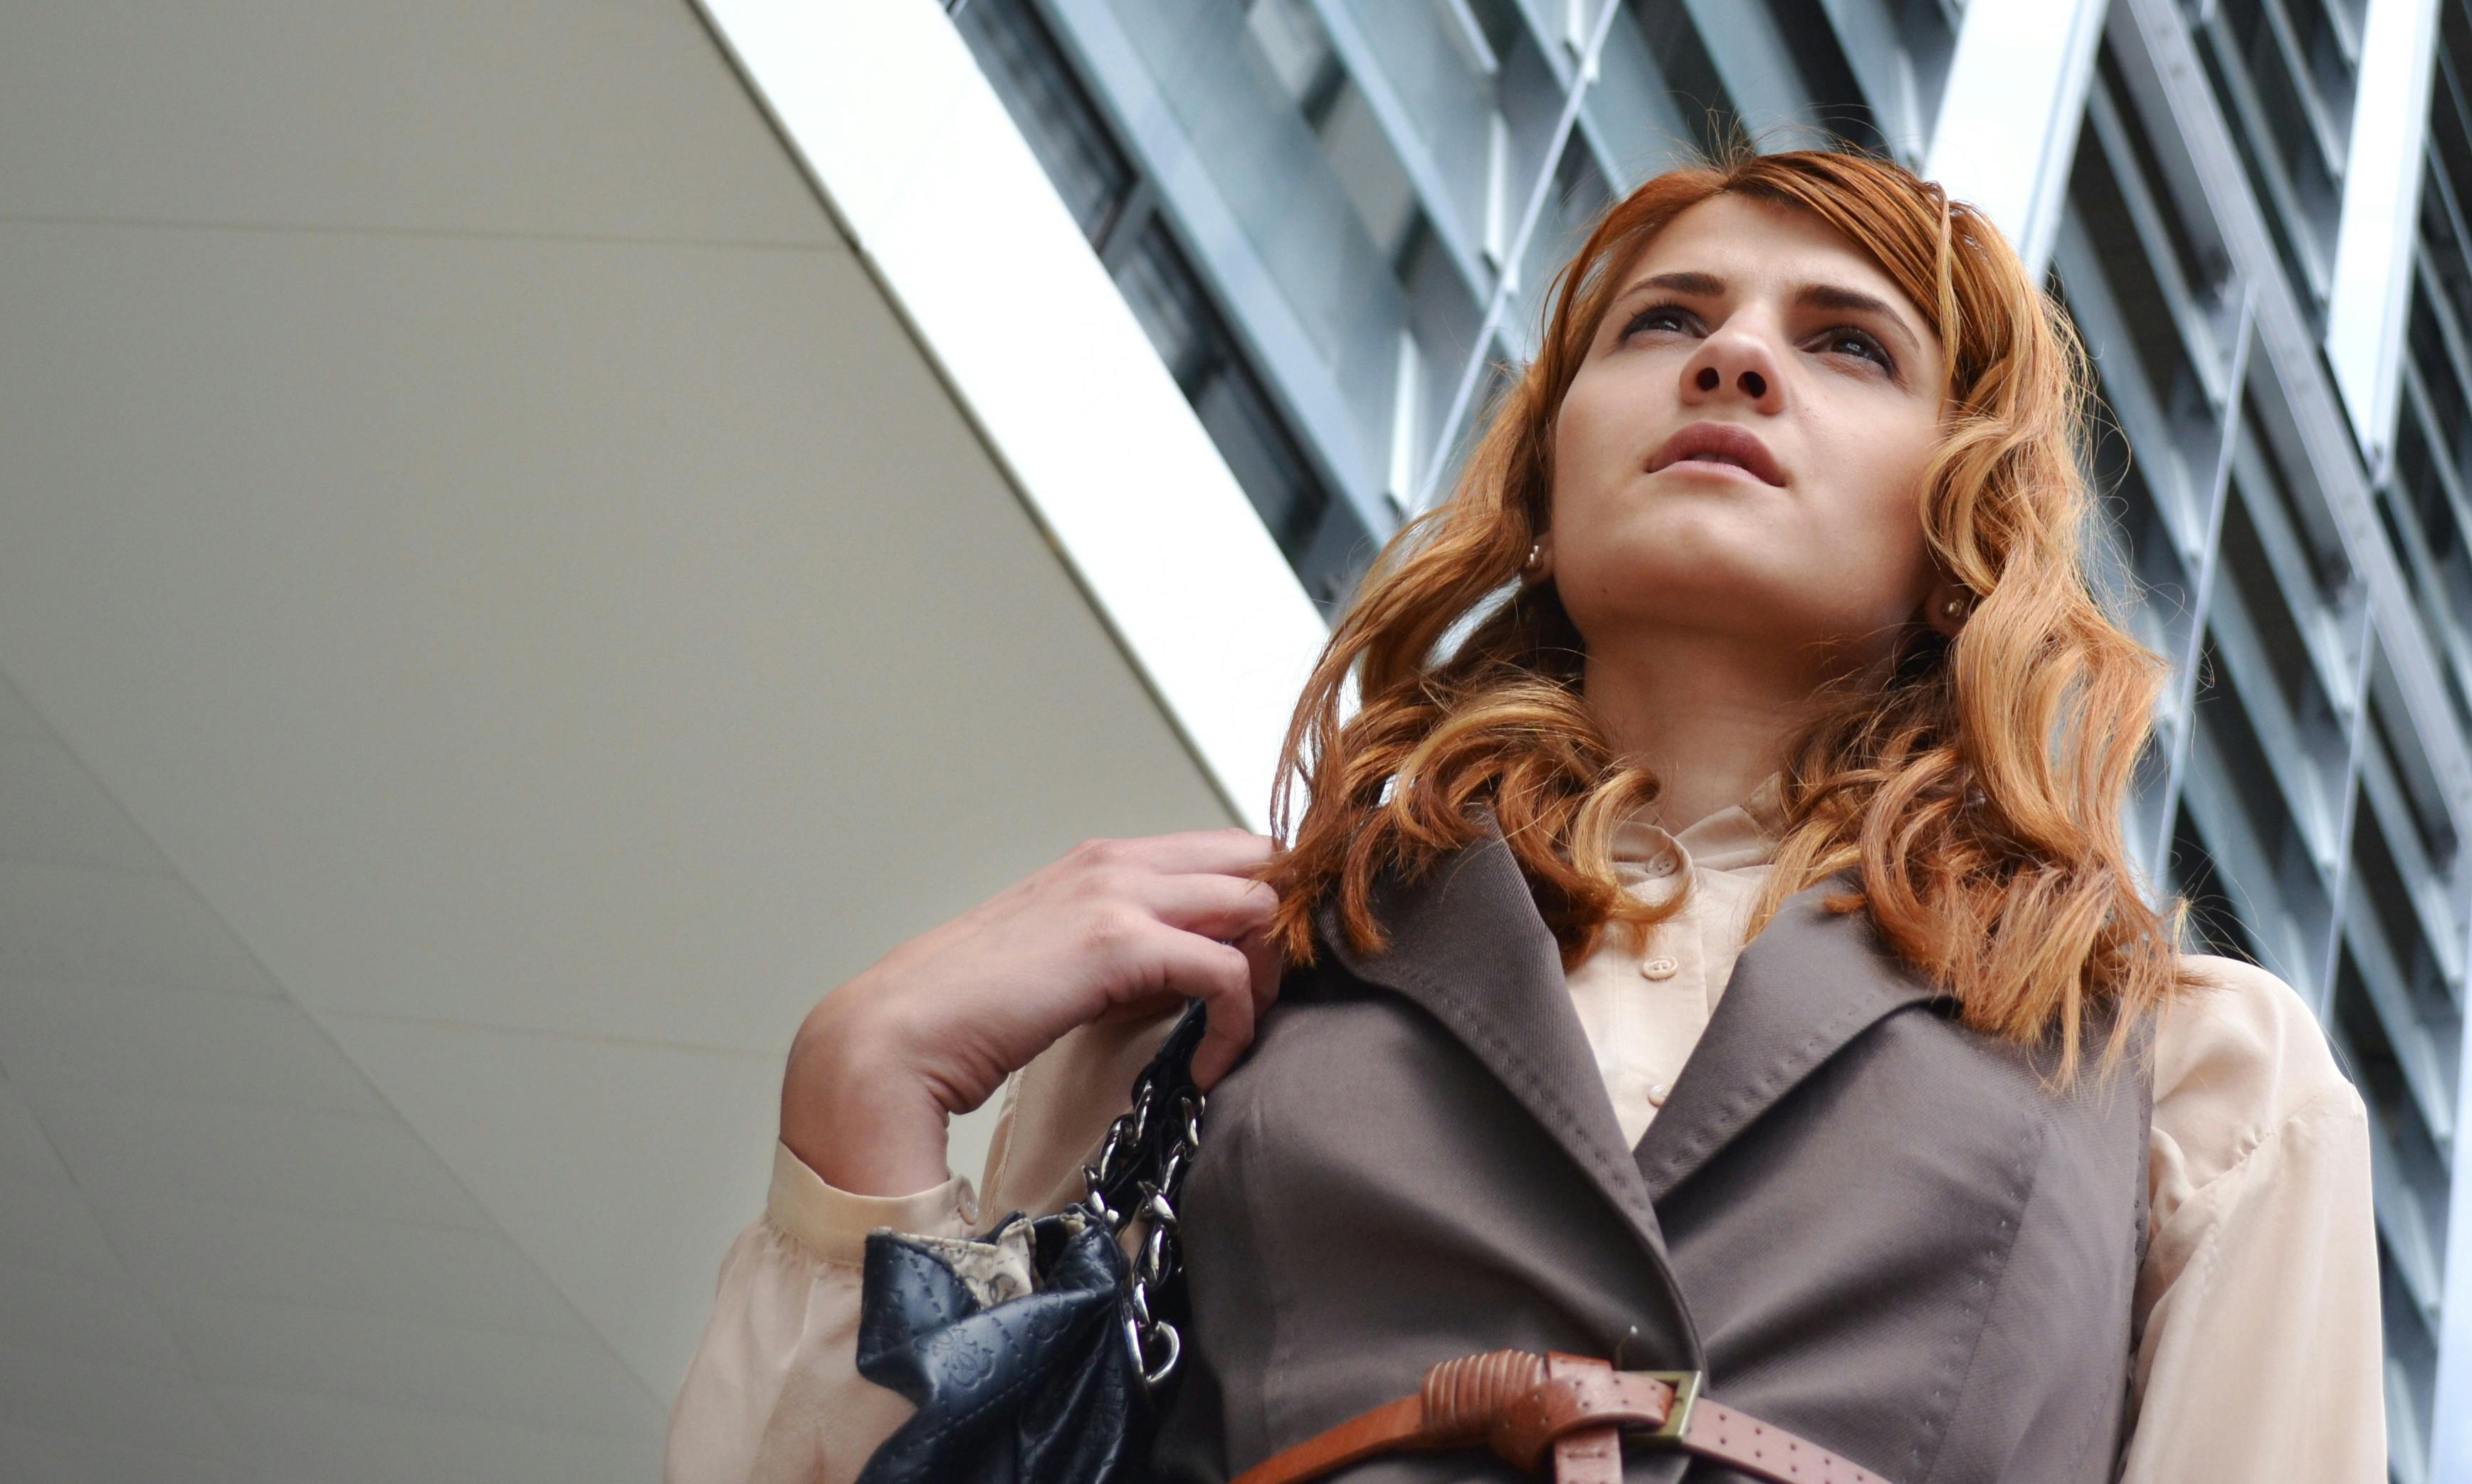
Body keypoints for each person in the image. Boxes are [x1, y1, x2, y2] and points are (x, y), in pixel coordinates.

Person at [668, 148, 2383, 1484]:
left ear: (1965, 539)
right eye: (1663, 322)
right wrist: (861, 1111)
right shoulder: (1237, 983)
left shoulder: (2194, 1076)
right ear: (1549, 487)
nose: (1732, 358)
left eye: (1846, 343)